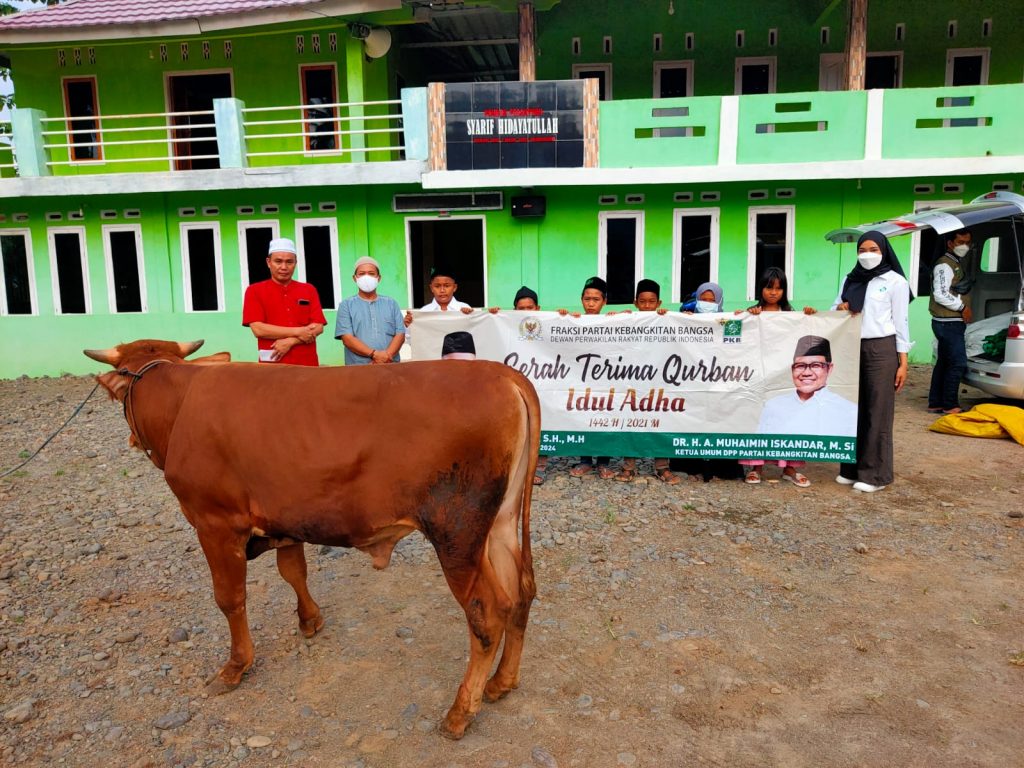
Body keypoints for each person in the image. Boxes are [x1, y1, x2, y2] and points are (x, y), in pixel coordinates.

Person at [832, 230, 912, 493]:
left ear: (884, 251)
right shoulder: (849, 278)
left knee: (877, 410)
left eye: (874, 249)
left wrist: (903, 361)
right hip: (851, 345)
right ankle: (850, 468)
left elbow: (901, 323)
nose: (867, 254)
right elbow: (835, 309)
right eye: (862, 250)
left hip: (881, 348)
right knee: (852, 408)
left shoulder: (895, 281)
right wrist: (841, 308)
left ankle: (875, 474)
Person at [738, 268, 818, 486]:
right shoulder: (752, 314)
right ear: (760, 289)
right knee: (760, 419)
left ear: (784, 290)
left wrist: (809, 316)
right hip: (759, 377)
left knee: (790, 420)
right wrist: (743, 317)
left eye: (778, 288)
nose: (773, 293)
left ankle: (790, 468)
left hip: (785, 378)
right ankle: (756, 466)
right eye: (768, 287)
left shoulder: (794, 316)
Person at [755, 335, 858, 485]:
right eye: (800, 366)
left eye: (816, 365)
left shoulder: (847, 410)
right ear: (792, 369)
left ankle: (789, 469)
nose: (807, 372)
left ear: (829, 369)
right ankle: (757, 468)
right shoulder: (774, 404)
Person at [614, 279, 679, 485]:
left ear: (659, 303)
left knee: (660, 420)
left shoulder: (666, 320)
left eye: (652, 302)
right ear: (636, 302)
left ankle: (662, 467)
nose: (647, 306)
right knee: (631, 420)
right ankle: (628, 466)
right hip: (633, 381)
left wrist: (677, 317)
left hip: (659, 381)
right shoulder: (629, 320)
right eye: (643, 302)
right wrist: (617, 318)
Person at [492, 286, 549, 485]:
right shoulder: (507, 324)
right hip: (516, 381)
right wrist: (493, 317)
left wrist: (565, 318)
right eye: (521, 307)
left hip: (544, 380)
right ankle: (515, 467)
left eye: (530, 307)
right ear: (514, 309)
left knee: (543, 417)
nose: (525, 311)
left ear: (538, 308)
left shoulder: (549, 324)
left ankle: (539, 465)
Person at [559, 276, 613, 479]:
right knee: (582, 416)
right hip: (581, 380)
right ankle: (585, 461)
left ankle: (604, 462)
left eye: (596, 299)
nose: (591, 304)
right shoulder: (574, 321)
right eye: (587, 299)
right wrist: (561, 318)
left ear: (604, 302)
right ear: (581, 299)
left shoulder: (613, 322)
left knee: (606, 417)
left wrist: (621, 317)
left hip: (607, 379)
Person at [242, 237, 325, 365]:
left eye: (289, 262)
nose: (284, 267)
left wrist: (290, 342)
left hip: (307, 363)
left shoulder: (309, 290)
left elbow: (318, 327)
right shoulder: (254, 291)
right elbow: (258, 329)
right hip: (273, 365)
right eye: (278, 261)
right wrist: (298, 332)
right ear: (268, 262)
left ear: (296, 263)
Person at [928, 229, 973, 414]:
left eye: (967, 242)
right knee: (957, 363)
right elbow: (940, 294)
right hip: (947, 323)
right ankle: (950, 404)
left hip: (949, 322)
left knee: (944, 362)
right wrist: (962, 308)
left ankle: (936, 402)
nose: (964, 246)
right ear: (950, 243)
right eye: (960, 242)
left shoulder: (955, 263)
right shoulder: (944, 265)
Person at [335, 256, 406, 365]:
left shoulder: (391, 303)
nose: (366, 277)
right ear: (355, 278)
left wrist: (386, 357)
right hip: (359, 368)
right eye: (362, 274)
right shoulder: (346, 305)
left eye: (371, 273)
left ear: (379, 278)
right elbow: (347, 339)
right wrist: (374, 354)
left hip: (390, 365)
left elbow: (400, 334)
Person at [403, 265, 474, 329]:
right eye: (437, 286)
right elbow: (414, 339)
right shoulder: (424, 311)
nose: (442, 290)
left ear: (454, 287)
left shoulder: (464, 308)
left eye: (447, 286)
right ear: (431, 288)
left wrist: (470, 317)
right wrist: (409, 326)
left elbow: (472, 334)